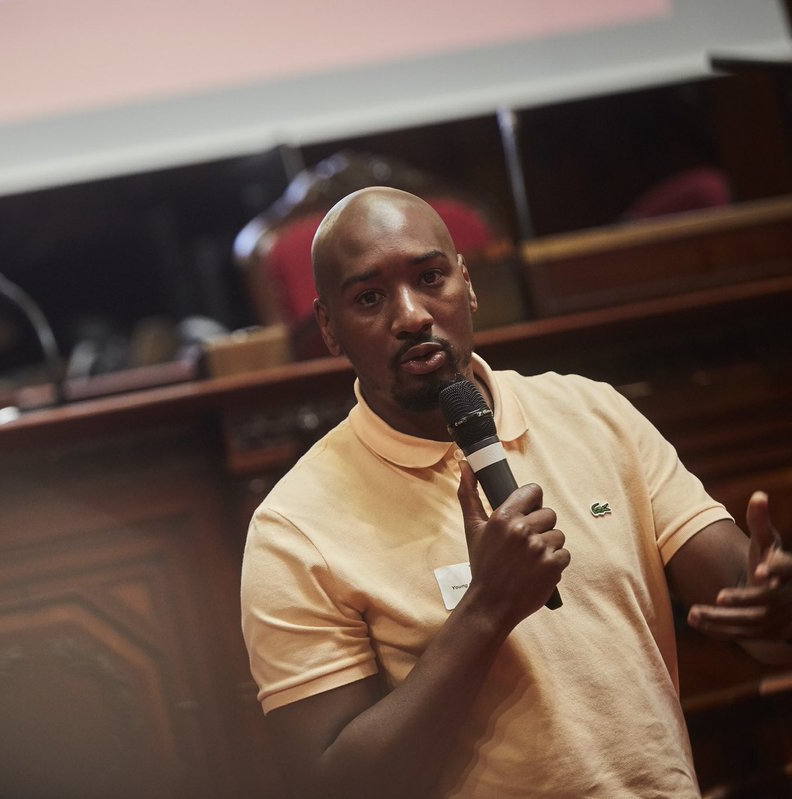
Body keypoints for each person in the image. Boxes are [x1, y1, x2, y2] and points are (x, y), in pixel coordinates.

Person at [239, 187, 792, 798]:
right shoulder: (292, 530)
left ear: (468, 286)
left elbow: (749, 607)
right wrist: (487, 609)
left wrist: (778, 603)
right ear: (329, 328)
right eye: (369, 297)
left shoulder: (592, 413)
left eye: (430, 277)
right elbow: (332, 787)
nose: (412, 315)